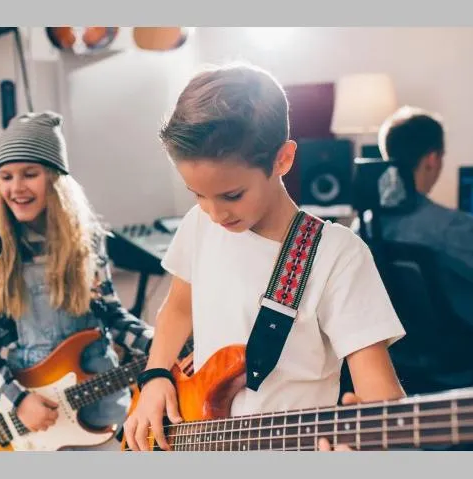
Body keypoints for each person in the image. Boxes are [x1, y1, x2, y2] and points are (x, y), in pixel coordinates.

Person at [123, 62, 407, 452]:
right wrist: (155, 376)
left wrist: (369, 447)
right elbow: (178, 308)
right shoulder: (199, 224)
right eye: (198, 194)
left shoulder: (337, 255)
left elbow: (380, 396)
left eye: (232, 195)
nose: (214, 213)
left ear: (283, 159)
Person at [0, 111, 154, 450]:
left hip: (104, 413)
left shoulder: (88, 240)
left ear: (55, 178)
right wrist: (18, 399)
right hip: (35, 419)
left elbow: (112, 317)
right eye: (6, 176)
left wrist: (158, 344)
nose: (16, 188)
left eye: (29, 174)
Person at [352, 106, 473, 347]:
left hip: (398, 352)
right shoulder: (452, 227)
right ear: (433, 158)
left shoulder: (363, 227)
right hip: (468, 349)